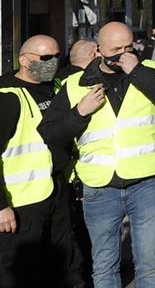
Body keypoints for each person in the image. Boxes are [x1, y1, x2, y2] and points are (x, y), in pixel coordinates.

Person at [40, 21, 155, 288]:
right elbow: (50, 133)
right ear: (98, 50)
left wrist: (137, 72)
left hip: (145, 182)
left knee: (149, 262)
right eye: (116, 49)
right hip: (100, 187)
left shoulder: (150, 70)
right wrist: (79, 112)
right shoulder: (74, 85)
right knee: (105, 265)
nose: (123, 54)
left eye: (129, 47)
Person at [0, 35, 79, 287]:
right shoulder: (7, 96)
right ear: (24, 60)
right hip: (22, 203)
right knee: (22, 272)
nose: (54, 62)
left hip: (56, 191)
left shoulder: (56, 87)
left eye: (58, 56)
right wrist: (1, 206)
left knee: (64, 264)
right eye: (46, 58)